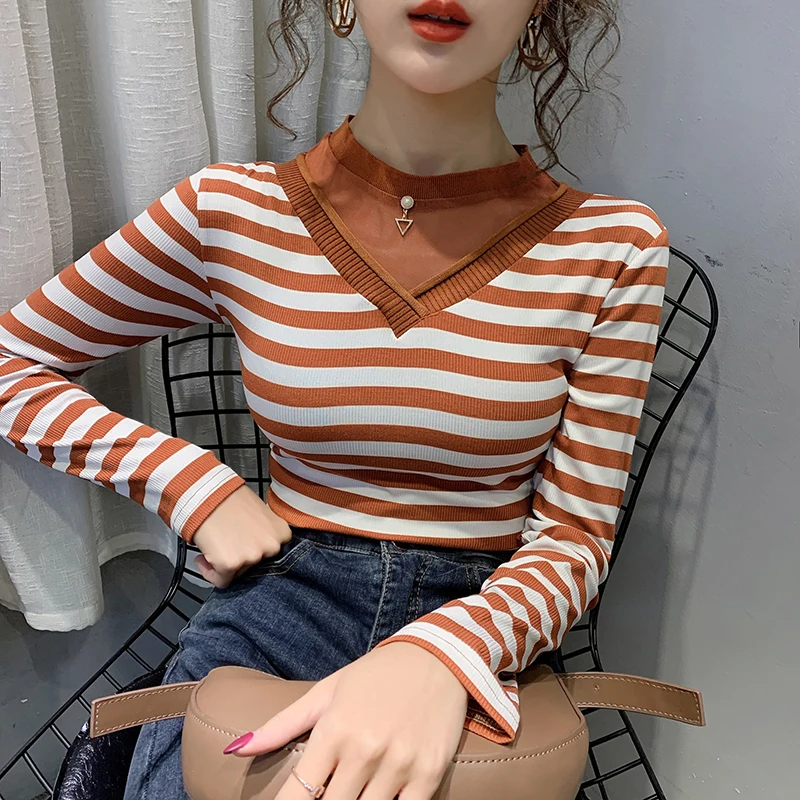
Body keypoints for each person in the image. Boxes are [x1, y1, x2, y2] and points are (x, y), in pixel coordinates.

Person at [0, 0, 669, 798]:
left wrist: (441, 652)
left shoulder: (612, 246)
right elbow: (11, 362)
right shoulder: (233, 212)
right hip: (275, 612)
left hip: (486, 627)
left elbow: (573, 539)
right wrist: (189, 485)